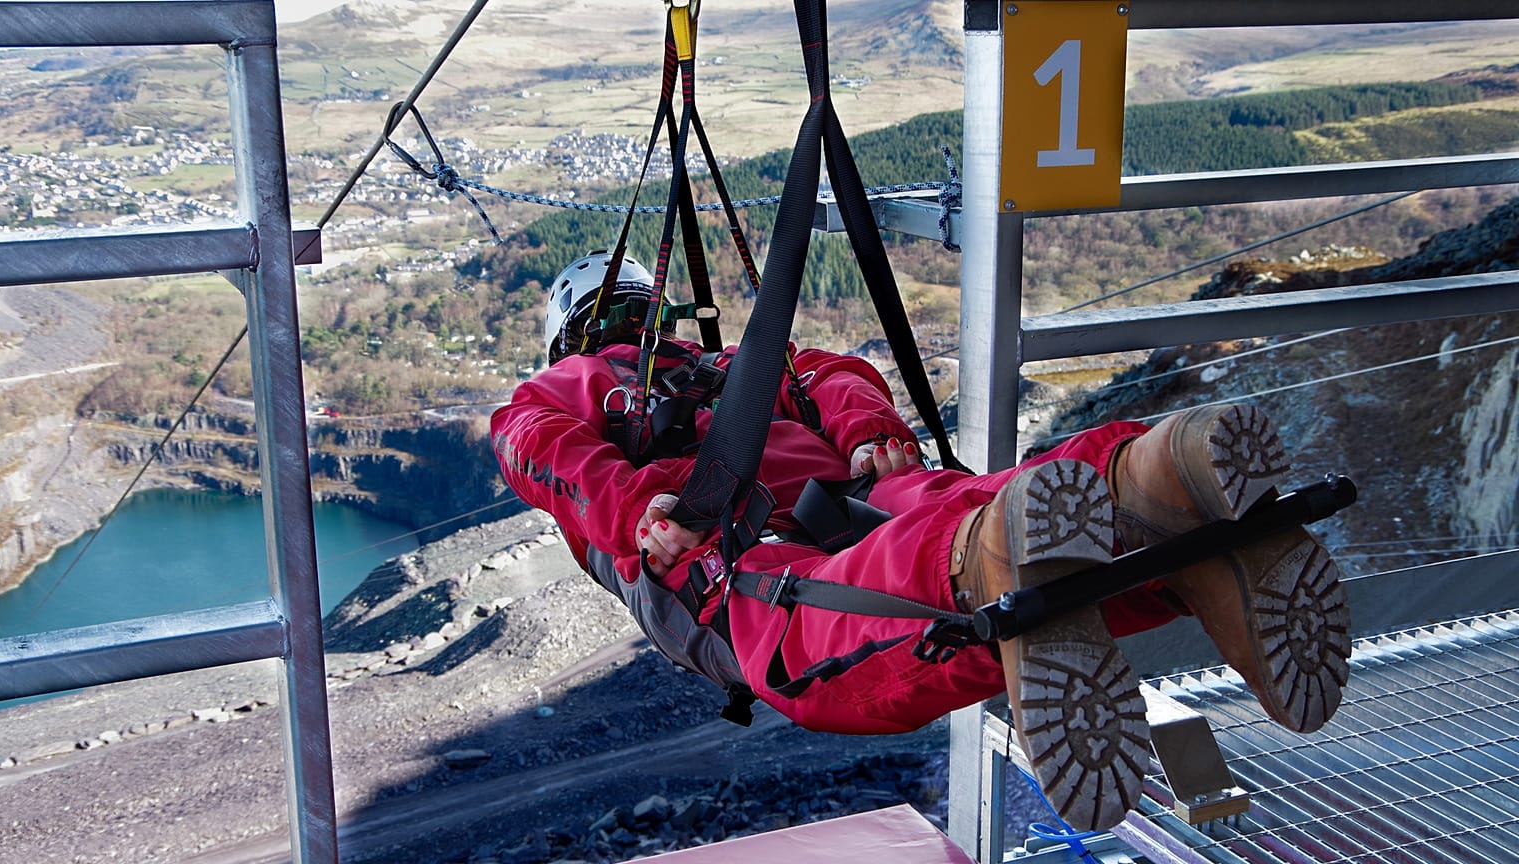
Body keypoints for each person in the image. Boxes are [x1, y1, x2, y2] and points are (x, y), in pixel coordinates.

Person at [489, 251, 1352, 833]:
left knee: (804, 640)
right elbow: (827, 373)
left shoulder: (565, 385)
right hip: (846, 488)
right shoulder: (733, 366)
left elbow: (530, 443)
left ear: (570, 332)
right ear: (656, 309)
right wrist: (870, 436)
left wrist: (637, 506)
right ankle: (1148, 482)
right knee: (956, 504)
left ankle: (989, 563)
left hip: (726, 541)